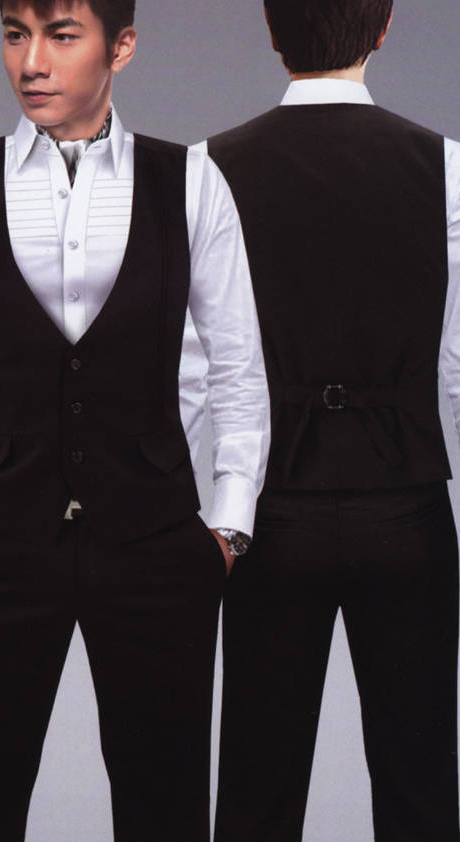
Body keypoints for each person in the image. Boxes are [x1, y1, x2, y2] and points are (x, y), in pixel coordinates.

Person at [0, 1, 270, 839]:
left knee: (165, 816)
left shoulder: (190, 181)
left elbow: (237, 365)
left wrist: (227, 528)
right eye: (14, 34)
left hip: (156, 547)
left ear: (120, 47)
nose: (31, 62)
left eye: (60, 35)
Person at [198, 1, 460, 840]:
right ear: (383, 28)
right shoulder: (447, 168)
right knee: (421, 790)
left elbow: (189, 373)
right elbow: (457, 368)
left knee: (256, 791)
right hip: (407, 507)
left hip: (270, 513)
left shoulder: (208, 170)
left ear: (271, 31)